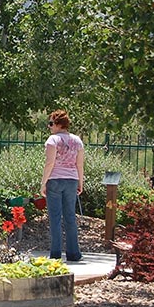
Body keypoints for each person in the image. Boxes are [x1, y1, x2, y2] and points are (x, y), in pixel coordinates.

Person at [40, 109, 85, 262]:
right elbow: (80, 164)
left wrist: (43, 183)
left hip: (55, 180)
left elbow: (50, 163)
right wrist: (80, 182)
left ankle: (56, 254)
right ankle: (73, 253)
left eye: (51, 123)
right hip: (72, 180)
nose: (50, 126)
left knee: (55, 218)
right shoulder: (77, 141)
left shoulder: (52, 141)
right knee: (70, 217)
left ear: (58, 124)